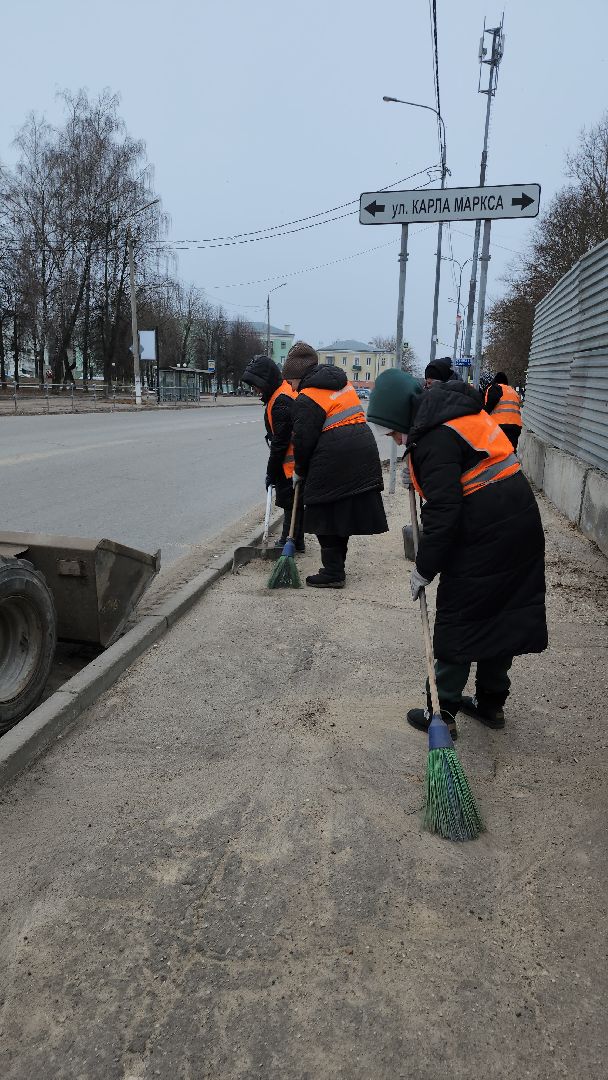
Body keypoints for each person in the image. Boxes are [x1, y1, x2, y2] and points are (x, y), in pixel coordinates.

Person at [367, 368, 547, 736]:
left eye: (393, 430)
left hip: (486, 532)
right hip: (520, 520)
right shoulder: (456, 414)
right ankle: (491, 704)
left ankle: (442, 711)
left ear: (403, 415)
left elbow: (444, 513)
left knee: (460, 616)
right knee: (502, 611)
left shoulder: (432, 439)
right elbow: (464, 466)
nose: (396, 440)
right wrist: (419, 474)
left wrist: (424, 568)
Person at [282, 341, 387, 588]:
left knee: (323, 512)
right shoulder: (343, 384)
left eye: (290, 380)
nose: (290, 386)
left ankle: (332, 572)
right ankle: (336, 567)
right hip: (362, 448)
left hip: (337, 455)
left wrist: (299, 471)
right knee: (341, 512)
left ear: (298, 375)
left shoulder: (307, 397)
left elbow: (304, 441)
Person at [241, 354, 305, 551]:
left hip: (292, 464)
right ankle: (294, 541)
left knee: (290, 504)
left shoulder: (281, 401)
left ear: (265, 381)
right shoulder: (282, 393)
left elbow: (280, 443)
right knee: (292, 504)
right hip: (295, 461)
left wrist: (271, 471)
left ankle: (288, 542)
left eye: (256, 385)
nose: (255, 390)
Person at [484, 370, 522, 450]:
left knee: (496, 451)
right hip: (516, 427)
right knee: (510, 451)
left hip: (499, 426)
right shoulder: (513, 391)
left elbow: (489, 406)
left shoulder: (495, 388)